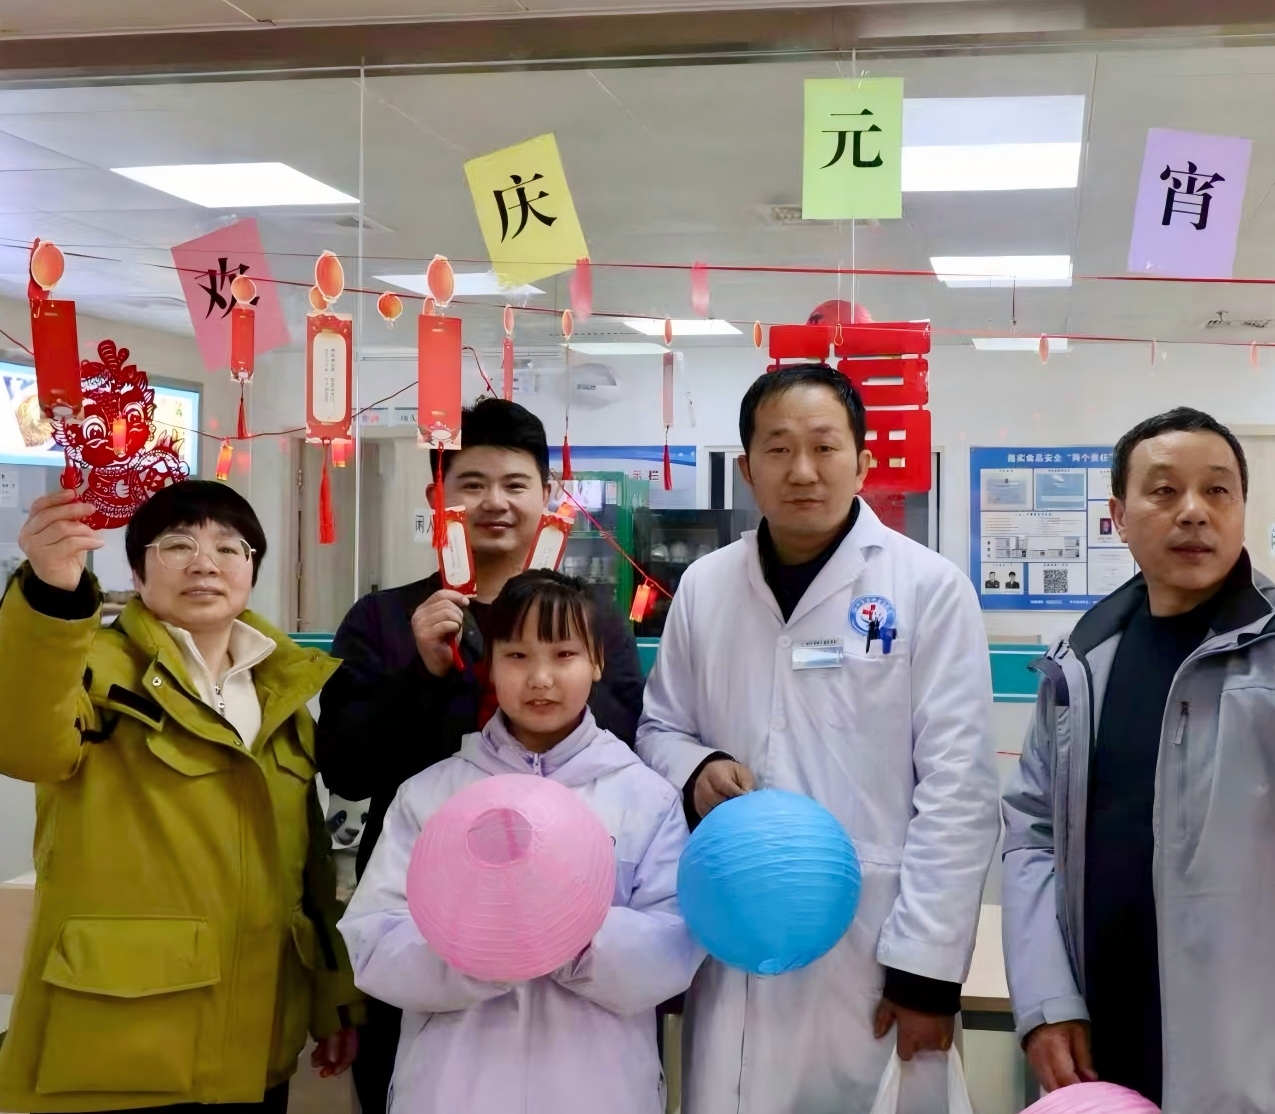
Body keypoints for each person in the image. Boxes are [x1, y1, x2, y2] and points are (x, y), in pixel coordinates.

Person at [1001, 407, 1275, 1113]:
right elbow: (1032, 834)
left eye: (1217, 490)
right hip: (1103, 1035)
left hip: (1261, 1056)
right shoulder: (1081, 660)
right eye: (1163, 490)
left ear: (1241, 509)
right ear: (1118, 516)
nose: (1193, 512)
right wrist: (1046, 998)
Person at [636, 364, 998, 1113]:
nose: (802, 470)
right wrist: (699, 769)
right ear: (747, 470)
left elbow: (959, 791)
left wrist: (926, 971)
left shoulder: (927, 589)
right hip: (733, 931)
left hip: (871, 948)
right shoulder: (705, 586)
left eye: (825, 447)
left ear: (862, 463)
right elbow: (660, 729)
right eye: (778, 449)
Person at [315, 397, 645, 1112]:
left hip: (573, 915)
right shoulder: (384, 619)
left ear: (547, 497)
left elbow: (623, 748)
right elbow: (345, 767)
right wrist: (422, 673)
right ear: (438, 497)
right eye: (472, 483)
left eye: (515, 484)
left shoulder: (592, 621)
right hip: (425, 925)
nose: (495, 502)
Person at [0, 482, 361, 1113]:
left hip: (256, 1039)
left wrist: (334, 996)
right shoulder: (90, 669)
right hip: (121, 1040)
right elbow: (25, 746)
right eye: (177, 545)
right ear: (137, 573)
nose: (204, 563)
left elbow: (308, 870)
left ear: (251, 570)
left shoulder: (282, 693)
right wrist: (51, 596)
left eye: (229, 547)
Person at [339, 570, 701, 1114]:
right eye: (516, 656)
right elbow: (374, 942)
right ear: (489, 663)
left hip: (598, 1091)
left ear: (597, 661)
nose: (540, 678)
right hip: (453, 1089)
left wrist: (570, 938)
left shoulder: (645, 798)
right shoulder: (432, 795)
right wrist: (481, 948)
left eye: (564, 654)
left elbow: (676, 944)